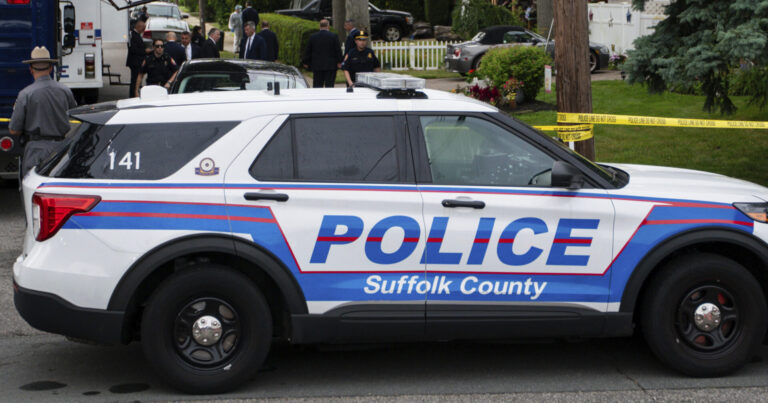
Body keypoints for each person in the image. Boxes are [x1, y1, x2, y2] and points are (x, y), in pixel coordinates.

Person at [9, 46, 77, 177]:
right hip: (61, 149)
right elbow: (74, 115)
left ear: (31, 69)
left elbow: (14, 130)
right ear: (51, 68)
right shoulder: (65, 91)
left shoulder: (25, 94)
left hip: (35, 151)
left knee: (34, 187)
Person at [303, 19, 341, 88]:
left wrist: (306, 62)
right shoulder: (333, 36)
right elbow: (338, 50)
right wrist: (339, 61)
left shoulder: (313, 37)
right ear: (328, 26)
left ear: (319, 26)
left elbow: (308, 50)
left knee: (317, 86)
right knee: (329, 86)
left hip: (317, 66)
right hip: (330, 66)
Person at [126, 18, 151, 99]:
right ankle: (133, 96)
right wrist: (145, 51)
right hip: (135, 62)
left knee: (136, 80)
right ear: (139, 27)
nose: (143, 31)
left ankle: (134, 94)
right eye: (143, 29)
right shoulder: (133, 35)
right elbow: (133, 49)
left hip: (137, 62)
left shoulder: (136, 35)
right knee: (135, 81)